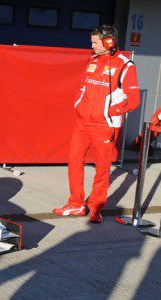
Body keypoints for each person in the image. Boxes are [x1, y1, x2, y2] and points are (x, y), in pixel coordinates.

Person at [54, 25, 140, 223]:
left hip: (105, 126)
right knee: (74, 162)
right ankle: (76, 204)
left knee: (102, 170)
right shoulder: (92, 59)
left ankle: (95, 208)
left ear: (108, 41)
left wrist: (106, 111)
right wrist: (78, 104)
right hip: (82, 123)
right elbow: (83, 87)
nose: (91, 45)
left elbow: (133, 99)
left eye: (95, 42)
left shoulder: (125, 65)